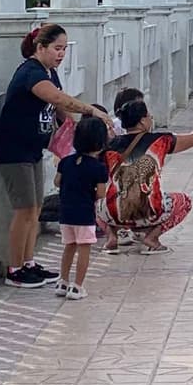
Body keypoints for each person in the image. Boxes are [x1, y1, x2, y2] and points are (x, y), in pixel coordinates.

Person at [0, 22, 109, 286]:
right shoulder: (31, 73)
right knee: (25, 210)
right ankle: (15, 269)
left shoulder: (49, 71)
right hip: (14, 150)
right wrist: (91, 111)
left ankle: (29, 262)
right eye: (57, 48)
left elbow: (57, 107)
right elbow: (57, 97)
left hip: (32, 149)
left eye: (64, 49)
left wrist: (72, 128)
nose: (61, 54)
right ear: (40, 47)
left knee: (36, 209)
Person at [104, 93, 193, 246]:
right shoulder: (160, 141)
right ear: (142, 121)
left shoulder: (110, 146)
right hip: (151, 212)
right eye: (149, 116)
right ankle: (152, 237)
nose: (151, 119)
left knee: (94, 203)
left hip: (116, 214)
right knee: (184, 202)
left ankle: (112, 235)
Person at [54, 114, 109, 299]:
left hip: (65, 213)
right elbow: (101, 193)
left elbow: (57, 182)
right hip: (84, 214)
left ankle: (62, 281)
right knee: (84, 248)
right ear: (100, 143)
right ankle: (77, 286)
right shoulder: (99, 168)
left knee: (69, 246)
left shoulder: (66, 162)